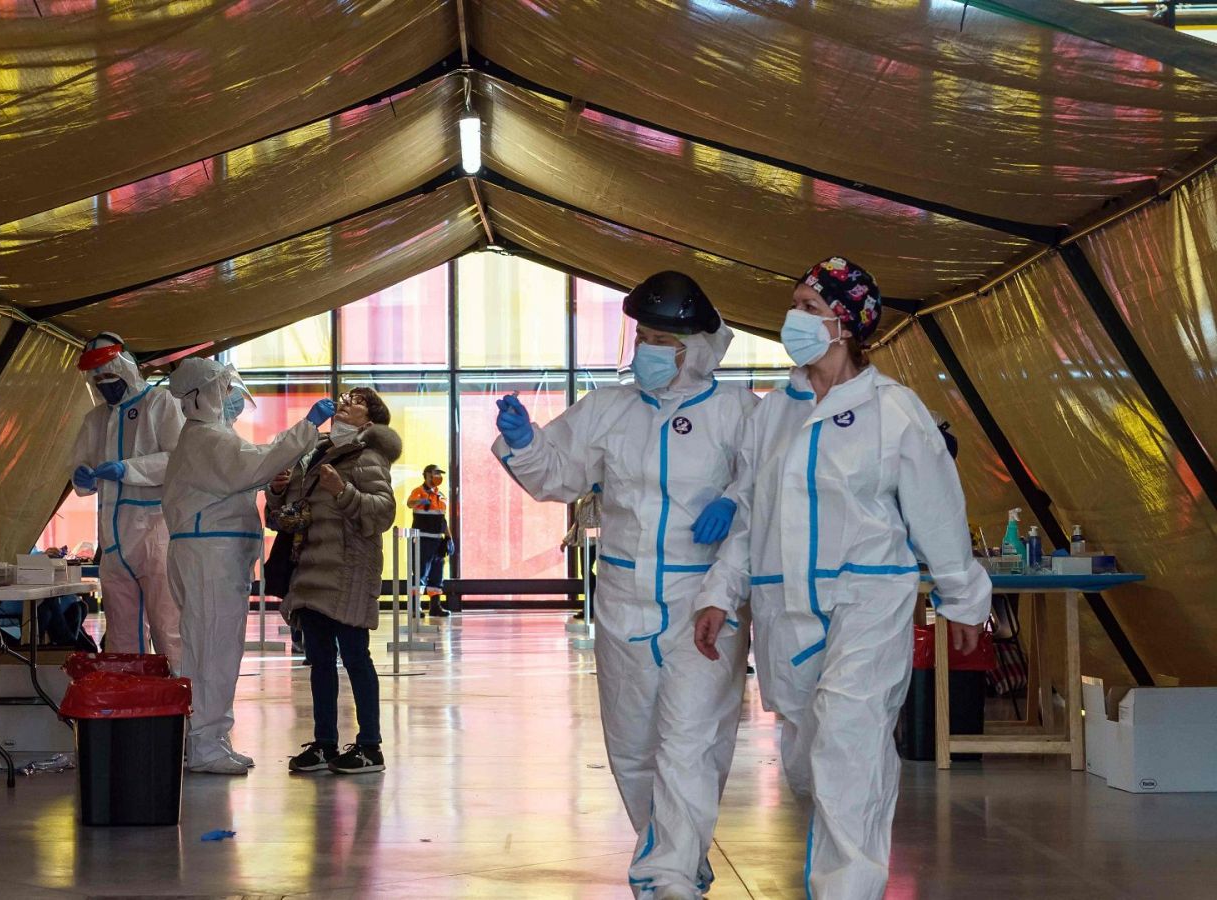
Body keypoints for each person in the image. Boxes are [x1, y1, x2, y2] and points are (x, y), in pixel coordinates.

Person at [693, 257, 992, 900]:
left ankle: (847, 890)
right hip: (785, 611)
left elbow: (937, 511)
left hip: (866, 601)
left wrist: (963, 600)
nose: (794, 317)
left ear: (845, 323)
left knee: (849, 748)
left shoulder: (895, 412)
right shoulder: (772, 415)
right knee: (807, 758)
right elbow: (750, 514)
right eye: (794, 302)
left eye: (809, 305)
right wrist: (721, 591)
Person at [493, 271, 756, 900]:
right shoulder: (608, 409)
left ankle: (665, 875)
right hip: (622, 601)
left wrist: (735, 501)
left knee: (690, 743)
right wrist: (526, 442)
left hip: (705, 603)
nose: (646, 349)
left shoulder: (740, 411)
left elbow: (767, 488)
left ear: (695, 347)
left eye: (660, 338)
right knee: (633, 748)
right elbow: (557, 475)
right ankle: (676, 857)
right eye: (641, 335)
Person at [163, 356, 335, 775]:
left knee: (214, 647)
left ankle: (211, 736)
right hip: (209, 558)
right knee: (212, 650)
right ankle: (205, 743)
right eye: (224, 391)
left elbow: (249, 465)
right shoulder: (205, 439)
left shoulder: (209, 440)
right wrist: (306, 428)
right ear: (201, 395)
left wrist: (269, 472)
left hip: (212, 556)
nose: (231, 401)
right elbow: (252, 463)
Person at [268, 388, 402, 775]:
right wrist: (277, 491)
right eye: (344, 397)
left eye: (356, 401)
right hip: (311, 571)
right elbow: (287, 513)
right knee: (320, 661)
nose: (345, 403)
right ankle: (325, 742)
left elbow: (382, 512)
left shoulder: (368, 456)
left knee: (356, 657)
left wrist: (341, 490)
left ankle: (369, 746)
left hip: (348, 572)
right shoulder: (315, 452)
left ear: (370, 421)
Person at [70, 332, 184, 666]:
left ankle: (181, 704)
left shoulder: (159, 404)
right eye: (98, 378)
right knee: (121, 633)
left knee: (168, 627)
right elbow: (81, 464)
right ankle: (132, 706)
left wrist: (128, 469)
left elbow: (178, 459)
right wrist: (81, 475)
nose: (105, 384)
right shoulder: (96, 419)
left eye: (109, 375)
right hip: (113, 540)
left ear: (126, 367)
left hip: (153, 532)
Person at [407, 464, 451, 617]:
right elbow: (409, 503)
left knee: (436, 574)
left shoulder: (441, 495)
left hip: (438, 540)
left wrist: (449, 537)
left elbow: (442, 519)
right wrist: (422, 501)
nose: (438, 476)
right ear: (426, 474)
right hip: (422, 539)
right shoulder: (418, 492)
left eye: (440, 473)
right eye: (435, 473)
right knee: (419, 573)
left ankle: (435, 606)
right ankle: (415, 607)